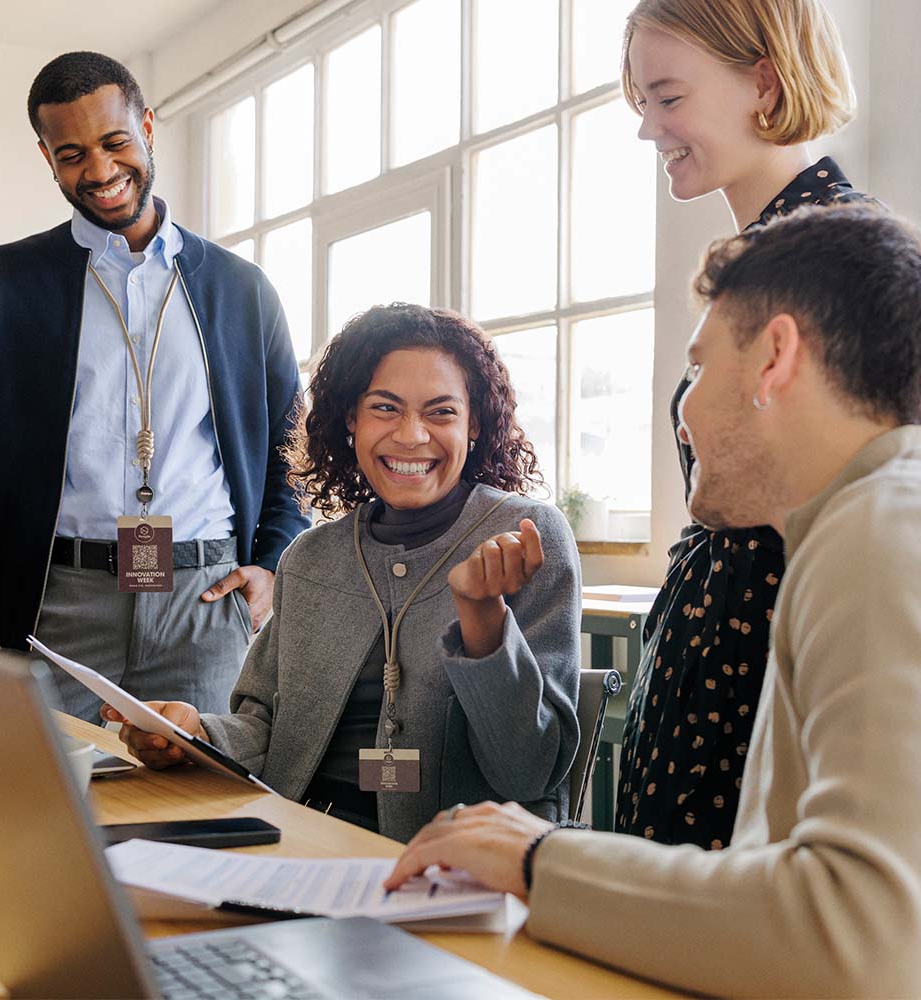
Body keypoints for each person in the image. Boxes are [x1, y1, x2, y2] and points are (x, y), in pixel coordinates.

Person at [386, 205, 921, 998]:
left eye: (699, 368)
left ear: (775, 357)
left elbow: (865, 936)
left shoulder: (879, 530)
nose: (685, 410)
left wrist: (540, 859)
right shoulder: (855, 524)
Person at [0, 52, 309, 718]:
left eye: (114, 142)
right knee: (56, 800)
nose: (99, 172)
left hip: (207, 601)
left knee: (200, 805)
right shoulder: (0, 284)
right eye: (71, 154)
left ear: (149, 127)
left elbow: (295, 448)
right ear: (47, 158)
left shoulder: (243, 290)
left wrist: (273, 559)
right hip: (60, 599)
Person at [106, 304, 581, 843]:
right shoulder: (310, 556)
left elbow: (528, 772)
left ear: (475, 423)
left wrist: (483, 618)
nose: (411, 435)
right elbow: (265, 728)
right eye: (385, 407)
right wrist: (195, 733)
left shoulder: (525, 536)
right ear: (350, 418)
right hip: (287, 837)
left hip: (439, 864)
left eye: (441, 412)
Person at [615, 0, 872, 848]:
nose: (648, 128)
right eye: (641, 102)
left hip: (759, 679)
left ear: (762, 80)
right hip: (712, 668)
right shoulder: (763, 258)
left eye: (667, 97)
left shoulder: (840, 263)